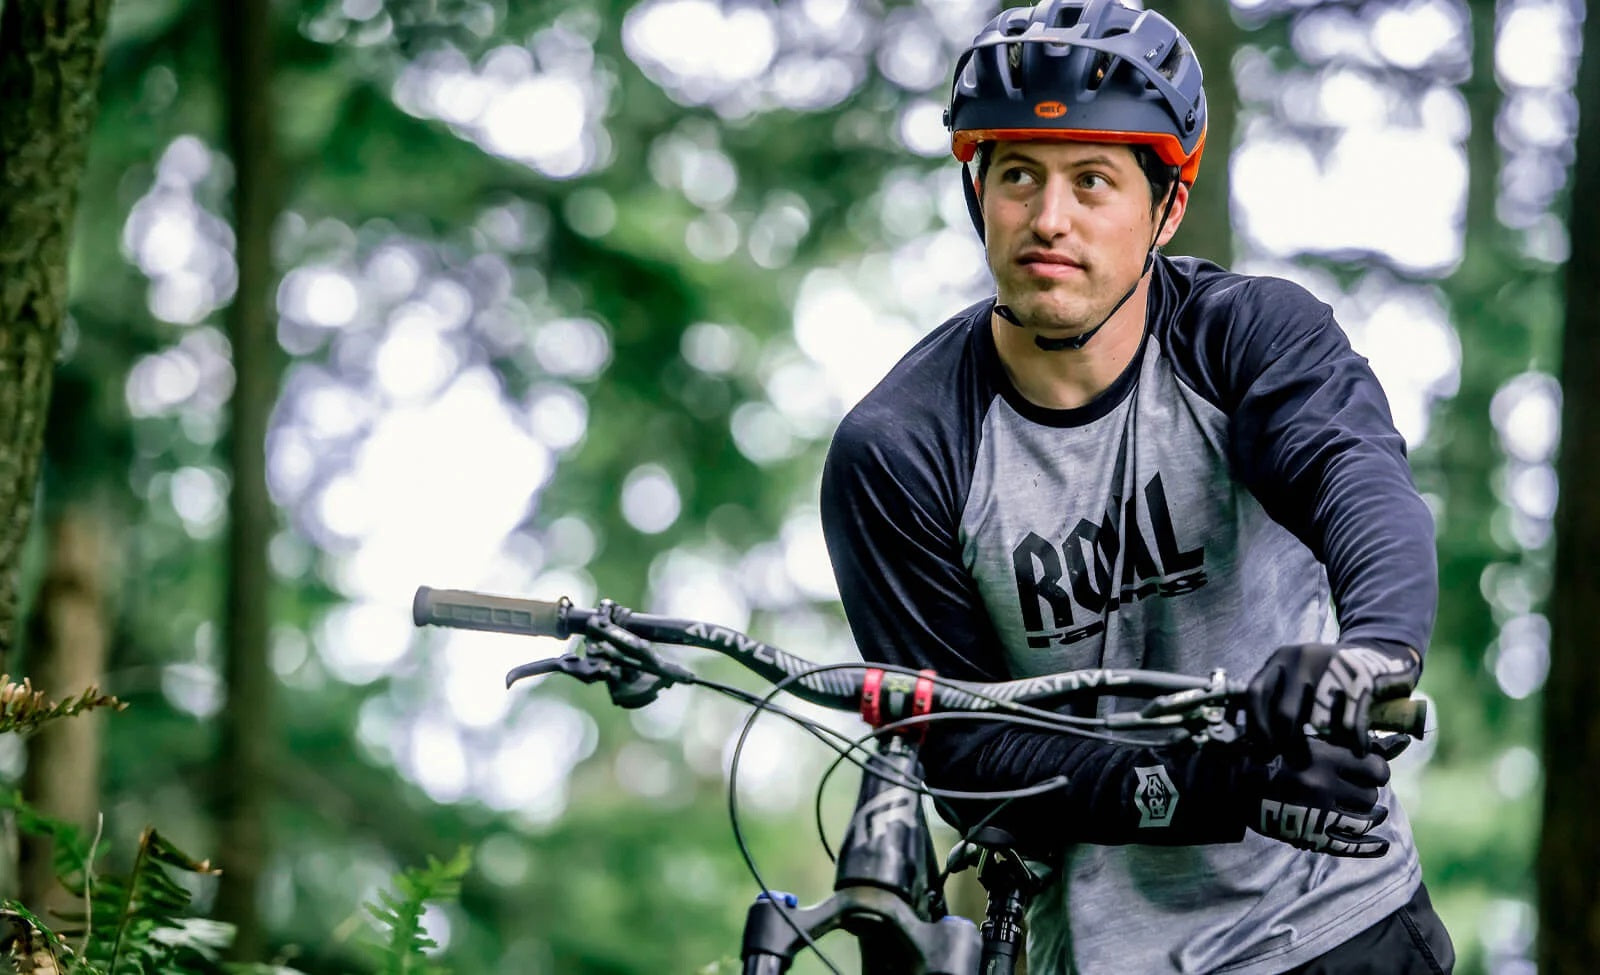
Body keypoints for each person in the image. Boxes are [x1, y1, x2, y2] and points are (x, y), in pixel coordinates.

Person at [817, 1, 1456, 972]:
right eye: (1018, 175)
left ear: (1165, 208)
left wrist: (1371, 658)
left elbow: (1360, 487)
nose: (1048, 218)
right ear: (976, 192)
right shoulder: (902, 448)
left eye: (1093, 181)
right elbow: (967, 756)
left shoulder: (1247, 341)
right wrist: (1231, 781)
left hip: (1340, 929)